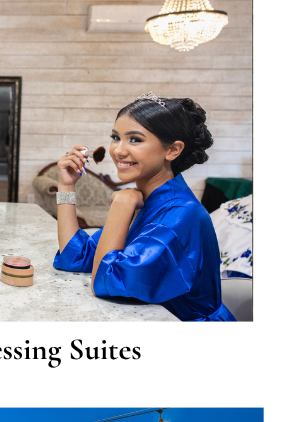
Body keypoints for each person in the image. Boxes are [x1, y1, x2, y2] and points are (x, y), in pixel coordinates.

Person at [53, 93, 236, 321]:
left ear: (173, 150)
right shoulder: (147, 199)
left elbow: (106, 280)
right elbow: (77, 256)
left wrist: (121, 205)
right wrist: (66, 186)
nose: (118, 151)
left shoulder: (181, 214)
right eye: (115, 137)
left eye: (135, 139)